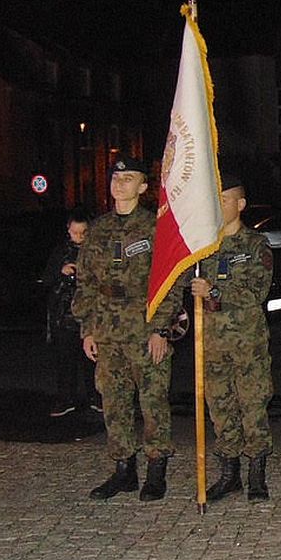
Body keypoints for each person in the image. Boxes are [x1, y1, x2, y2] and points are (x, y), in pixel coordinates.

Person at [72, 156, 180, 501]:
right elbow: (85, 281)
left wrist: (161, 329)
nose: (120, 183)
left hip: (143, 327)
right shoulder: (98, 229)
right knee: (114, 402)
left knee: (152, 402)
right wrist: (88, 328)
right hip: (107, 328)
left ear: (143, 187)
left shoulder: (155, 227)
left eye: (128, 178)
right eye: (116, 177)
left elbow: (170, 281)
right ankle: (123, 470)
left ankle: (156, 470)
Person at [189, 169, 275, 503]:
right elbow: (188, 284)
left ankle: (257, 475)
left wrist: (214, 291)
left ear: (240, 204)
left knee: (252, 406)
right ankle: (229, 474)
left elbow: (257, 290)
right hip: (210, 343)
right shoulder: (203, 247)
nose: (218, 204)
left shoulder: (255, 244)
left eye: (224, 198)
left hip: (246, 343)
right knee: (220, 407)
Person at [42, 208, 100, 418]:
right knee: (65, 359)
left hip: (89, 314)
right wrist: (61, 272)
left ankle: (96, 396)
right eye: (74, 233)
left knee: (92, 358)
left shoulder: (95, 251)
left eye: (82, 233)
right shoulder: (60, 251)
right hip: (64, 314)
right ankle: (65, 398)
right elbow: (46, 279)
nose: (78, 238)